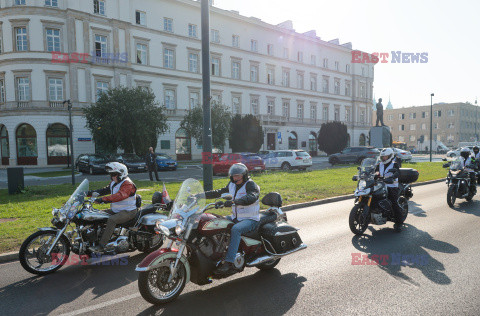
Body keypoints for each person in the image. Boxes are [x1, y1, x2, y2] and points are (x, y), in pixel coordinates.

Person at [202, 163, 260, 274]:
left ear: (244, 175)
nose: (235, 178)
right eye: (233, 176)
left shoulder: (250, 185)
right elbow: (219, 192)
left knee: (236, 229)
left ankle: (229, 262)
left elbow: (252, 197)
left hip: (250, 219)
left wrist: (234, 202)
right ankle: (219, 253)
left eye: (238, 176)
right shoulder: (232, 185)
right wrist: (201, 195)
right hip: (235, 217)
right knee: (216, 222)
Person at [87, 162, 138, 252]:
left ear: (122, 174)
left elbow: (120, 195)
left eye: (114, 174)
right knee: (95, 215)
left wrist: (102, 199)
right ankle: (92, 241)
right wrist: (88, 193)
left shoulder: (128, 184)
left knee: (112, 220)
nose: (112, 177)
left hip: (128, 211)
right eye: (111, 174)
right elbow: (104, 190)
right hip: (116, 210)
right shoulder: (115, 182)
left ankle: (101, 246)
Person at [375, 148, 404, 232]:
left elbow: (397, 173)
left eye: (385, 157)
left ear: (390, 156)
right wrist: (373, 174)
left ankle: (399, 223)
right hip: (380, 185)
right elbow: (375, 172)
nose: (384, 158)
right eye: (382, 157)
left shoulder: (394, 164)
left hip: (392, 186)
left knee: (393, 202)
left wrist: (392, 177)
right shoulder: (379, 164)